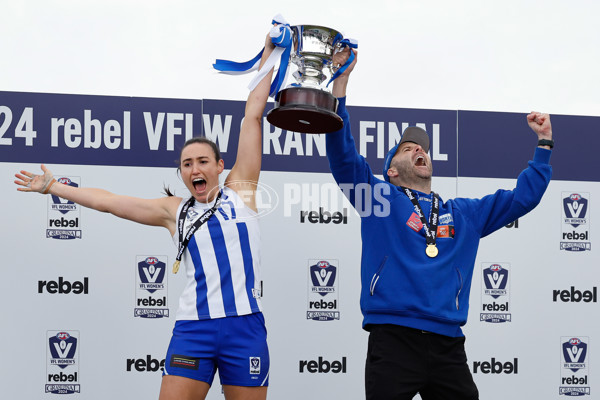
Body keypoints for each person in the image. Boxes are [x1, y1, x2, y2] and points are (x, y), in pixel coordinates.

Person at [14, 32, 277, 400]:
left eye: (202, 161)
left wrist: (270, 54)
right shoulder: (174, 211)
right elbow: (108, 201)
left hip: (245, 329)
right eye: (187, 164)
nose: (194, 169)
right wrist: (54, 187)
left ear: (220, 166)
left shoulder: (243, 191)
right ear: (182, 173)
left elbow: (252, 115)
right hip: (194, 330)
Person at [326, 48, 553, 399]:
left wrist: (544, 144)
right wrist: (340, 85)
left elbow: (524, 198)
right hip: (393, 337)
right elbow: (343, 157)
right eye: (408, 148)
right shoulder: (378, 199)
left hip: (448, 345)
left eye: (423, 148)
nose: (420, 150)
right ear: (390, 169)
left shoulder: (463, 213)